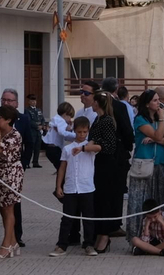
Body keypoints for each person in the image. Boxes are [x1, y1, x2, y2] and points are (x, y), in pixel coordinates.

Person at [51, 116, 98, 257]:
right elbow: (62, 168)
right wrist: (58, 186)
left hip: (86, 188)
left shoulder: (89, 147)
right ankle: (61, 245)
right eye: (79, 132)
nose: (82, 135)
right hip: (71, 188)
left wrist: (83, 148)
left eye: (84, 132)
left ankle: (89, 244)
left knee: (88, 217)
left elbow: (98, 147)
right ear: (74, 131)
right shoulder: (67, 148)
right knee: (67, 218)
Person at [127, 89, 164, 239]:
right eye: (155, 100)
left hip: (159, 163)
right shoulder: (140, 120)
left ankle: (161, 235)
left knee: (160, 198)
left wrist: (154, 139)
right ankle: (137, 236)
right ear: (147, 104)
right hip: (144, 164)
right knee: (140, 199)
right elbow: (159, 135)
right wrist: (161, 121)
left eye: (159, 100)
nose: (158, 103)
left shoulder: (157, 119)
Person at [88, 93, 125, 254]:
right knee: (97, 200)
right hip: (97, 164)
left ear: (97, 103)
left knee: (104, 201)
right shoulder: (97, 120)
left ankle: (104, 234)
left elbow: (110, 145)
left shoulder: (107, 121)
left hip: (107, 166)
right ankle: (98, 233)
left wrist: (91, 145)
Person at [0, 105, 25, 260]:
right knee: (2, 208)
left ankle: (6, 245)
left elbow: (1, 152)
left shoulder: (14, 135)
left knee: (9, 208)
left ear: (8, 120)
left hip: (11, 174)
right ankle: (13, 241)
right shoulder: (1, 134)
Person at [45, 101, 74, 170]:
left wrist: (68, 129)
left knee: (60, 167)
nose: (70, 119)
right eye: (70, 116)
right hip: (54, 148)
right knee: (62, 168)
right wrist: (75, 135)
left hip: (50, 148)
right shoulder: (61, 121)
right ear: (65, 114)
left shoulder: (56, 119)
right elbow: (62, 133)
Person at [22, 93, 45, 168]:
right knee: (30, 147)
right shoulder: (27, 110)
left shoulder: (38, 110)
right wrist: (36, 126)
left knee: (37, 147)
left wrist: (42, 125)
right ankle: (27, 162)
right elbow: (29, 120)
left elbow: (42, 119)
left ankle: (35, 162)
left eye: (34, 100)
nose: (34, 102)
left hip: (38, 132)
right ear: (29, 101)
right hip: (32, 131)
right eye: (32, 101)